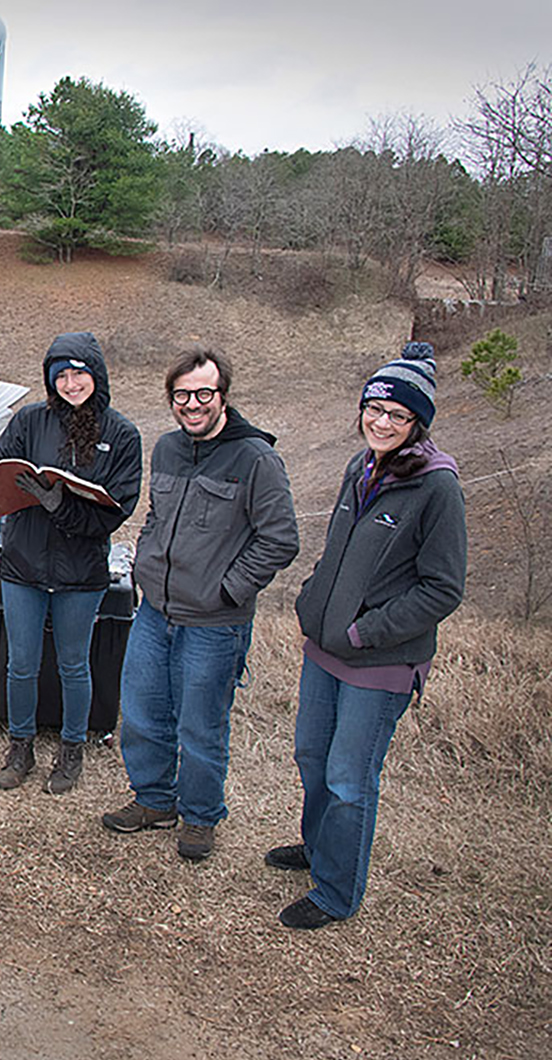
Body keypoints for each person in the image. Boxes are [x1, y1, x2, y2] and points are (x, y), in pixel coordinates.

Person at [270, 344, 465, 929]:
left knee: (349, 777)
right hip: (325, 649)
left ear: (417, 424)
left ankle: (336, 891)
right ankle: (318, 847)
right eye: (374, 410)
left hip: (379, 662)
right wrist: (313, 600)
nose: (381, 422)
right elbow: (337, 551)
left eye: (396, 416)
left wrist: (365, 630)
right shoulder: (362, 467)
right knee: (311, 756)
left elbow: (443, 588)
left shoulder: (437, 487)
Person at [102, 349, 299, 860]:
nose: (192, 404)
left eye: (203, 394)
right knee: (144, 712)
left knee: (200, 724)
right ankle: (153, 800)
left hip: (214, 623)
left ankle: (200, 816)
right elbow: (156, 517)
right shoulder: (167, 449)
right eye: (182, 395)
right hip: (154, 612)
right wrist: (145, 563)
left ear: (223, 397)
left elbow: (280, 539)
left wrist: (228, 590)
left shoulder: (256, 459)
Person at [0, 333, 141, 794]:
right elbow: (0, 467)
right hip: (23, 563)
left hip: (81, 573)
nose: (71, 383)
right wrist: (24, 489)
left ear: (97, 375)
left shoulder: (120, 433)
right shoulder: (31, 419)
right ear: (50, 379)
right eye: (62, 375)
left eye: (79, 373)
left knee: (75, 664)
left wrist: (62, 506)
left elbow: (118, 508)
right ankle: (21, 747)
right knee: (22, 663)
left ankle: (71, 750)